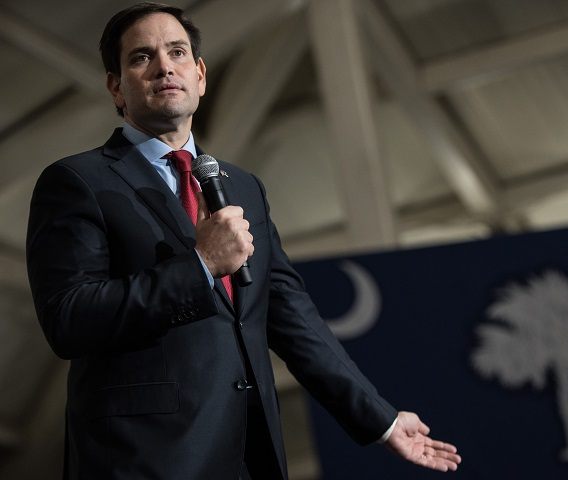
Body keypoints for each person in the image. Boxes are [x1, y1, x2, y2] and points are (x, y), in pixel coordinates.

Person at [26, 3, 461, 479]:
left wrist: (380, 419)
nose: (164, 66)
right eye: (141, 57)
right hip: (144, 459)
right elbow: (69, 318)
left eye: (177, 52)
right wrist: (199, 265)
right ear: (116, 87)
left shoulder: (242, 186)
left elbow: (291, 317)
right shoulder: (77, 181)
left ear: (200, 73)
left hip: (249, 454)